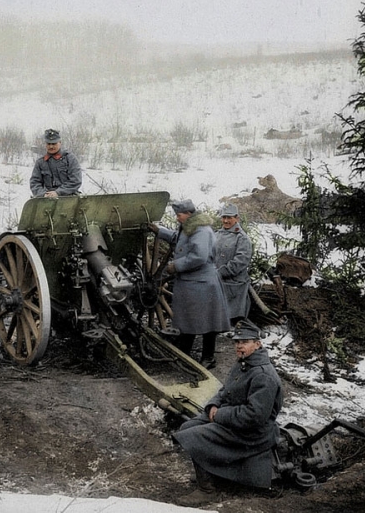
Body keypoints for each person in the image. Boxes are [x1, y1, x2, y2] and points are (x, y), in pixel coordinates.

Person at [173, 318, 283, 506]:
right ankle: (211, 473)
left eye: (245, 342)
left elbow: (254, 416)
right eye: (237, 342)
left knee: (196, 436)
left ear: (257, 344)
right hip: (235, 423)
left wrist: (219, 415)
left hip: (252, 433)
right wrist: (213, 406)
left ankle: (207, 490)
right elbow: (225, 390)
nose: (239, 346)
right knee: (187, 426)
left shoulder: (263, 375)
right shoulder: (244, 364)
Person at [148, 199, 230, 368]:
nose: (177, 218)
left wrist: (176, 265)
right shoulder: (192, 226)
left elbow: (199, 257)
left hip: (201, 282)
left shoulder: (201, 231)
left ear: (188, 214)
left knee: (208, 322)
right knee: (189, 319)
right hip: (193, 282)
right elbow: (179, 239)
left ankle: (208, 358)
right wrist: (160, 231)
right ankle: (184, 353)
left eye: (179, 215)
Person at [214, 203, 253, 325]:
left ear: (237, 218)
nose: (226, 221)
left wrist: (220, 273)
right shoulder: (216, 235)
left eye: (229, 218)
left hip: (233, 284)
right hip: (215, 280)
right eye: (224, 217)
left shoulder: (242, 238)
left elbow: (240, 262)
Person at [29, 128, 82, 198]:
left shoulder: (69, 158)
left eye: (54, 144)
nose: (51, 146)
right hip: (48, 198)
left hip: (69, 197)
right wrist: (43, 194)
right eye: (48, 144)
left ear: (60, 143)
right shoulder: (41, 162)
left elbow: (76, 180)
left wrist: (58, 192)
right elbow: (35, 182)